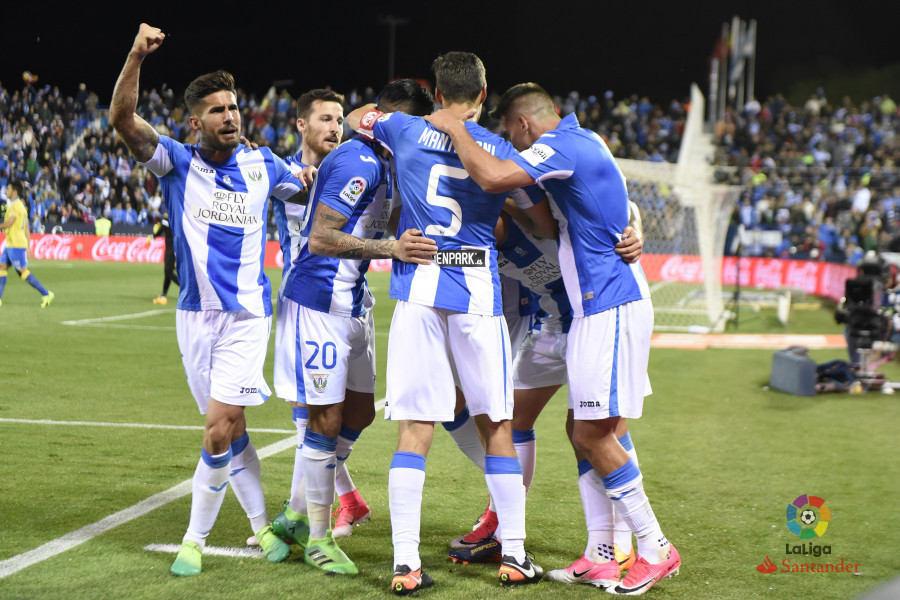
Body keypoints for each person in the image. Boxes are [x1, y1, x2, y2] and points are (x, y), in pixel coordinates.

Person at [424, 82, 679, 595]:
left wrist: (453, 125)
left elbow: (495, 174)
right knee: (582, 428)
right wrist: (631, 225)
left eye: (513, 138)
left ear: (522, 126)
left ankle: (653, 547)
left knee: (595, 432)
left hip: (607, 303)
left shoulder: (561, 144)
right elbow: (598, 204)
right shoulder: (584, 148)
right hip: (580, 312)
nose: (515, 149)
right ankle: (603, 553)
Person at [347, 53, 551, 593]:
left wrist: (423, 123)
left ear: (437, 93)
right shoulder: (504, 150)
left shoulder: (404, 128)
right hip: (477, 291)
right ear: (485, 95)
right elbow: (542, 218)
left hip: (418, 286)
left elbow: (353, 118)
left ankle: (405, 565)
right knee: (497, 426)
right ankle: (514, 556)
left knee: (414, 429)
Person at [110, 23, 304, 576]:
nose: (230, 116)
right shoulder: (174, 161)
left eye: (234, 107)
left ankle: (193, 540)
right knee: (231, 430)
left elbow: (309, 184)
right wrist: (136, 55)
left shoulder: (264, 164)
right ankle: (261, 524)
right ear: (196, 121)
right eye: (217, 110)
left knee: (221, 424)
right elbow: (123, 120)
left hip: (247, 315)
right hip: (195, 318)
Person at [276, 80, 438, 576]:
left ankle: (297, 512)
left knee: (362, 412)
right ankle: (316, 533)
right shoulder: (357, 161)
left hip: (352, 302)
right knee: (323, 421)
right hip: (319, 302)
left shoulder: (383, 162)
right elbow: (322, 239)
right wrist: (393, 249)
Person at [0, 179, 54, 308]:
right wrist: (28, 245)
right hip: (11, 243)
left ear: (14, 191)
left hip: (16, 245)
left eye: (8, 189)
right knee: (2, 267)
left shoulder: (14, 206)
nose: (6, 191)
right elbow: (26, 227)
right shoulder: (21, 206)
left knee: (22, 272)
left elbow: (9, 223)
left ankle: (46, 293)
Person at [150, 211, 178, 304]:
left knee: (168, 272)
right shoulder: (177, 219)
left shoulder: (165, 221)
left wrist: (152, 236)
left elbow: (157, 233)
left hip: (170, 249)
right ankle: (163, 296)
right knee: (168, 273)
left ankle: (185, 287)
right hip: (177, 248)